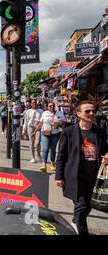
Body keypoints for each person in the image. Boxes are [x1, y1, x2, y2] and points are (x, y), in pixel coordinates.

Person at [55, 100, 108, 235]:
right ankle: (81, 230)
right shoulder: (68, 132)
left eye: (93, 111)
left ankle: (74, 221)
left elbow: (104, 151)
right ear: (78, 114)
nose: (91, 113)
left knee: (88, 206)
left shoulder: (100, 132)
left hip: (94, 178)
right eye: (87, 111)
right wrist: (59, 176)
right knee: (82, 206)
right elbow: (61, 156)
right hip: (75, 177)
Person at [34, 102, 66, 173]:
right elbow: (41, 123)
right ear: (47, 107)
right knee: (45, 149)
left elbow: (64, 122)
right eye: (50, 106)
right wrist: (35, 131)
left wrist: (58, 123)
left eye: (53, 106)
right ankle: (43, 165)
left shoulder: (60, 113)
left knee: (53, 149)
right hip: (45, 133)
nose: (52, 107)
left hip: (55, 133)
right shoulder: (45, 113)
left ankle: (52, 163)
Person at [22, 99, 43, 163]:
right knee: (31, 143)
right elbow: (26, 121)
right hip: (30, 127)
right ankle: (33, 157)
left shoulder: (41, 111)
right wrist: (24, 130)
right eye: (33, 102)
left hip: (38, 127)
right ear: (31, 104)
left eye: (35, 102)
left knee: (37, 142)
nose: (34, 103)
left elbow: (43, 120)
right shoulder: (28, 111)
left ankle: (38, 155)